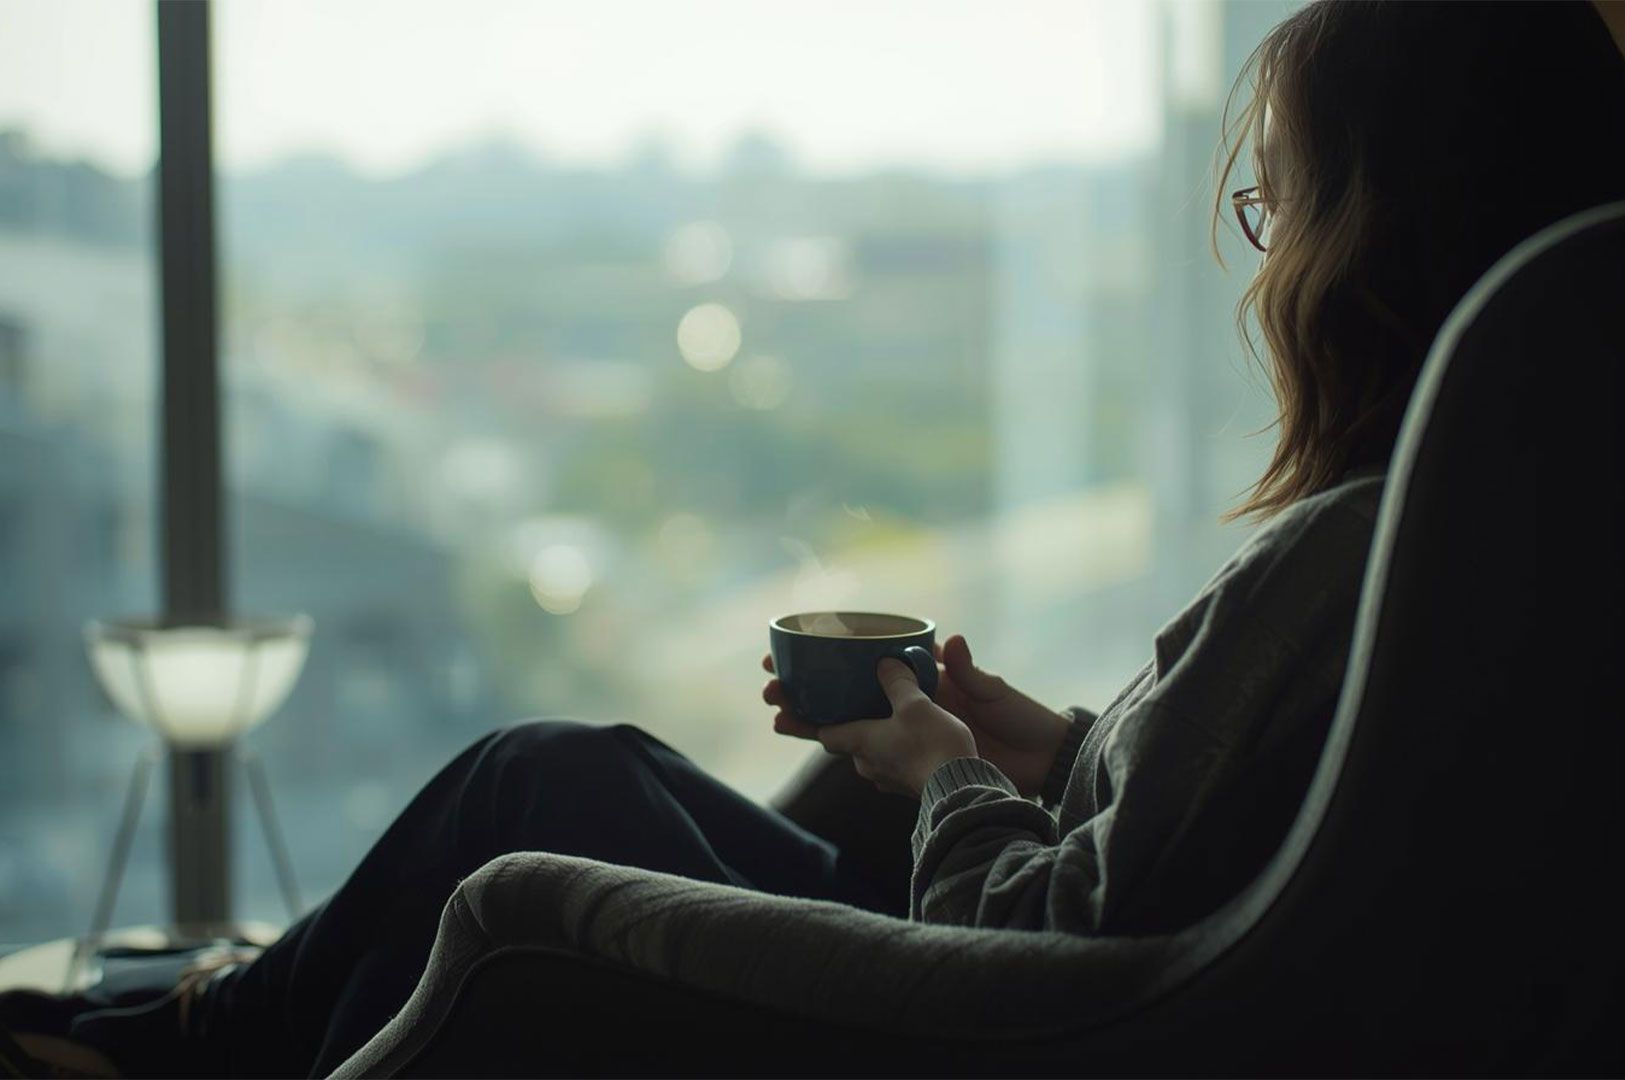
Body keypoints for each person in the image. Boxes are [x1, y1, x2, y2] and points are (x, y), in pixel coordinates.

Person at [5, 2, 1623, 1077]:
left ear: (1371, 232)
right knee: (598, 772)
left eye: (1274, 205)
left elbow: (1043, 937)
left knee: (536, 790)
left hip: (1014, 1007)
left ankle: (170, 1039)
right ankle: (186, 1028)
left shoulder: (1338, 554)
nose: (1260, 266)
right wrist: (1047, 748)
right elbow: (1241, 826)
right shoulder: (1482, 540)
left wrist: (948, 776)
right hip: (1087, 953)